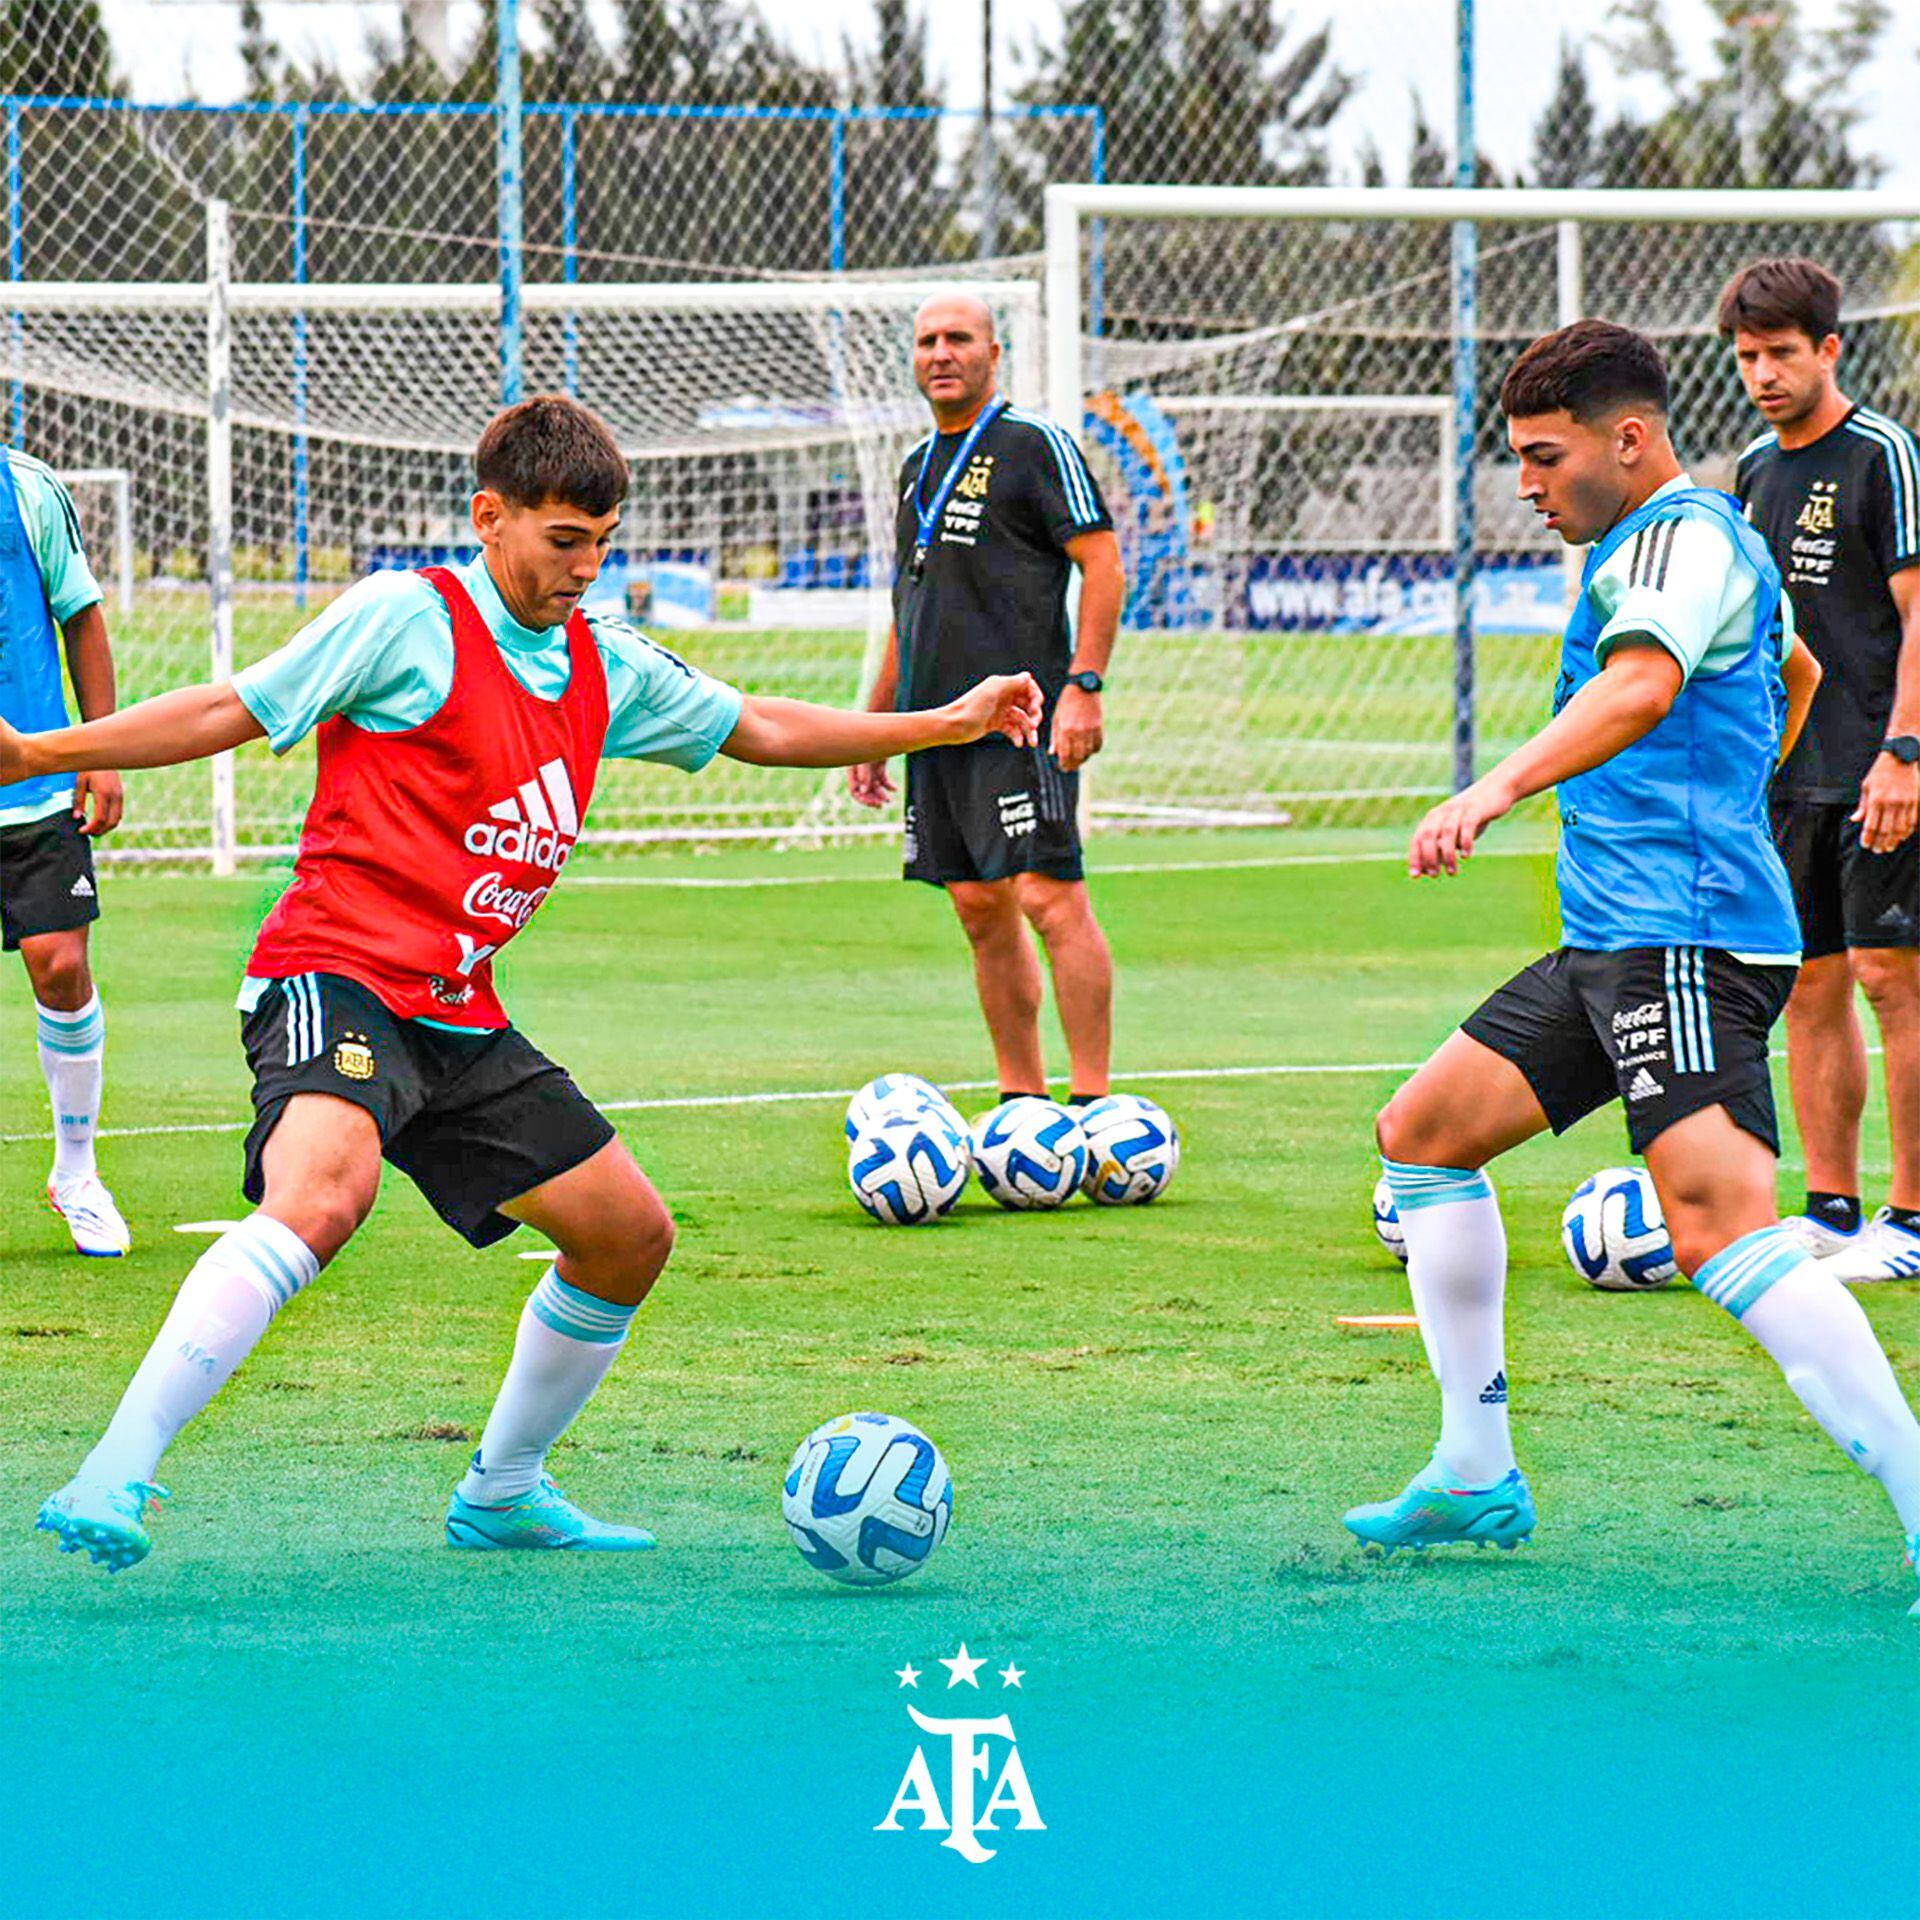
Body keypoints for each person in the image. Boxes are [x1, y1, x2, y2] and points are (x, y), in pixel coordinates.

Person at [5, 394, 1042, 1573]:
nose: (586, 570)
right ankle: (114, 1471)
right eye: (564, 542)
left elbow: (758, 724)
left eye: (605, 543)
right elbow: (231, 708)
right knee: (321, 1195)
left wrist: (944, 722)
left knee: (627, 1237)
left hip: (457, 1011)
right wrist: (44, 753)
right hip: (332, 973)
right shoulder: (409, 618)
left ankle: (501, 1491)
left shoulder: (605, 661)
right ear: (490, 517)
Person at [1351, 320, 1920, 1617]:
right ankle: (1476, 1468)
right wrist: (1722, 794)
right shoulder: (1676, 540)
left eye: (1545, 459)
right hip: (1624, 932)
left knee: (1720, 1227)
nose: (1528, 486)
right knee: (1424, 1135)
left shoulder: (1678, 536)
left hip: (1685, 937)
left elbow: (1646, 688)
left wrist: (1491, 788)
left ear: (1631, 438)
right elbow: (1798, 671)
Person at [849, 292, 1126, 1106]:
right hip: (938, 726)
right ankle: (1022, 1099)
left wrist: (1084, 687)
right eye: (928, 340)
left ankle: (1094, 1103)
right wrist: (875, 727)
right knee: (976, 905)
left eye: (958, 339)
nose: (941, 353)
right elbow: (911, 604)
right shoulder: (914, 469)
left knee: (1047, 891)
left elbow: (1103, 563)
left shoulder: (1035, 445)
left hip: (1022, 717)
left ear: (993, 353)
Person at [1724, 256, 1920, 1281]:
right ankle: (1833, 1211)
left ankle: (1914, 1222)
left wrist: (1905, 751)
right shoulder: (1755, 467)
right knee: (1811, 988)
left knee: (1896, 980)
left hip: (1883, 765)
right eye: (1748, 356)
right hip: (1789, 775)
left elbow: (1919, 612)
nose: (1763, 373)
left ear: (1830, 349)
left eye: (1782, 354)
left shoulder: (1886, 454)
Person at [0, 448, 128, 1256]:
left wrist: (102, 750)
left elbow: (81, 617)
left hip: (37, 787)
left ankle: (76, 1173)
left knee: (59, 964)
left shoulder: (28, 488)